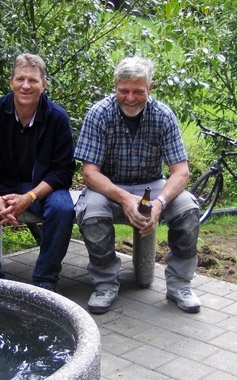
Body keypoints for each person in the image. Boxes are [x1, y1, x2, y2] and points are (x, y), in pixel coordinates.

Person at [74, 56, 201, 314]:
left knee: (188, 209)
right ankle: (105, 283)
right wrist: (124, 198)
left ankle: (180, 284)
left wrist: (159, 203)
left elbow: (181, 172)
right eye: (124, 91)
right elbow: (89, 174)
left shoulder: (163, 116)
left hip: (151, 185)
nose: (130, 98)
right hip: (108, 187)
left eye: (138, 91)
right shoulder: (99, 114)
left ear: (150, 88)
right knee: (92, 214)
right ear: (115, 87)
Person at [0, 53, 75, 291]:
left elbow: (62, 171)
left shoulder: (57, 118)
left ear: (44, 85)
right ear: (11, 82)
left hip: (41, 188)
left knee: (63, 209)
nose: (25, 86)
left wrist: (29, 197)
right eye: (20, 79)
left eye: (33, 80)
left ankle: (45, 280)